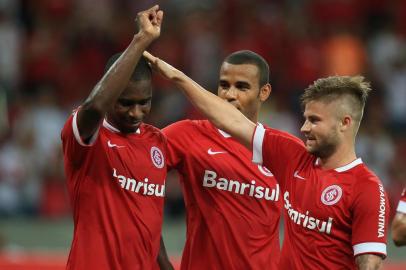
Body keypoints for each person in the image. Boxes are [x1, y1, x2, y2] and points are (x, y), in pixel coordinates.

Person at [143, 51, 390, 270]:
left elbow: (369, 263)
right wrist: (176, 76)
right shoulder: (292, 157)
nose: (304, 128)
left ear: (344, 123)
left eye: (314, 120)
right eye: (305, 119)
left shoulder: (364, 187)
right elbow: (231, 121)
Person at [61, 6, 173, 269]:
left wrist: (166, 265)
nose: (136, 112)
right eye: (125, 103)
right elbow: (96, 107)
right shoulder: (88, 137)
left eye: (144, 102)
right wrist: (142, 39)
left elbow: (149, 215)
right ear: (111, 95)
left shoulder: (156, 141)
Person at [162, 50, 293, 269]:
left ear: (264, 92)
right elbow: (137, 173)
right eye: (224, 85)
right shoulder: (186, 135)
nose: (230, 94)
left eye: (242, 87)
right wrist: (162, 260)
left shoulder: (281, 150)